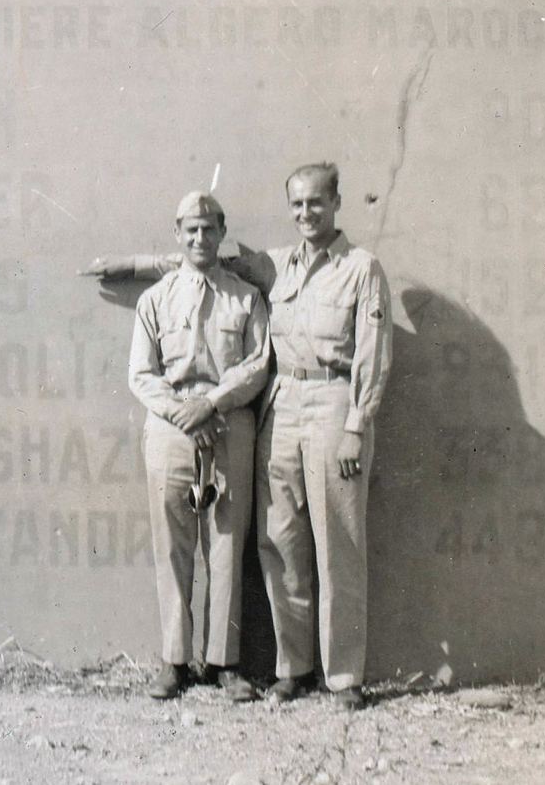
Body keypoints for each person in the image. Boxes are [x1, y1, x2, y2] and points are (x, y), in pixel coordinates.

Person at [85, 163, 392, 710]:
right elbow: (194, 263)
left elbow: (363, 353)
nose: (305, 213)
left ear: (337, 203)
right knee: (279, 542)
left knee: (333, 545)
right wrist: (130, 265)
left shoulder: (359, 270)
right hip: (270, 411)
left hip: (323, 406)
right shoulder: (277, 265)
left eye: (315, 203)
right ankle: (288, 669)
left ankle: (341, 677)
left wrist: (355, 426)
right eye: (296, 205)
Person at [127, 191, 270, 701]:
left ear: (222, 231)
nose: (200, 238)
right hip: (171, 427)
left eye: (209, 229)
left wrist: (212, 405)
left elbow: (257, 363)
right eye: (190, 230)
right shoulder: (156, 300)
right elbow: (142, 375)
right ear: (177, 235)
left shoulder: (245, 298)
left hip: (229, 422)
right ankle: (175, 661)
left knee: (228, 544)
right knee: (172, 544)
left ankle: (223, 662)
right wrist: (184, 413)